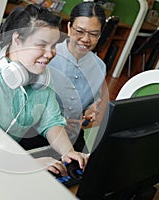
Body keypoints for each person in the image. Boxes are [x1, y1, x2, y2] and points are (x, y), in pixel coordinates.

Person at [0, 4, 88, 176]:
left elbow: (51, 122)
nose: (50, 54)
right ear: (17, 39)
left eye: (53, 46)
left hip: (12, 155)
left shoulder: (41, 76)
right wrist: (26, 162)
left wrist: (68, 152)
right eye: (41, 45)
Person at [48, 2, 107, 151]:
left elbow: (86, 117)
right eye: (79, 31)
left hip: (71, 133)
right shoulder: (48, 55)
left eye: (93, 34)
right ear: (68, 28)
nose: (86, 39)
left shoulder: (100, 67)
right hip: (40, 129)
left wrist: (88, 115)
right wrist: (58, 121)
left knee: (87, 169)